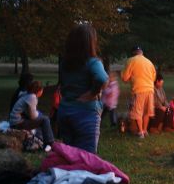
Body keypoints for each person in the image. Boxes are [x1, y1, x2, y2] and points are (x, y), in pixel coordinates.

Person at [58, 24, 109, 153]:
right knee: (86, 158)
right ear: (90, 42)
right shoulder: (93, 62)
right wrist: (92, 93)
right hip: (85, 114)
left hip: (64, 111)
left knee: (70, 154)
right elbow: (102, 79)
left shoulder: (65, 63)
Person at [121, 46, 156, 138]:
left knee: (138, 112)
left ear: (133, 53)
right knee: (146, 112)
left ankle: (140, 132)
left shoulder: (131, 60)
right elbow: (153, 77)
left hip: (139, 89)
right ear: (141, 52)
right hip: (150, 89)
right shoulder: (149, 62)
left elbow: (125, 78)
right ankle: (145, 130)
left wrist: (122, 74)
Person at [10, 81, 54, 150]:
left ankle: (40, 139)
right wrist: (39, 114)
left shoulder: (27, 94)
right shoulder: (32, 97)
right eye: (42, 90)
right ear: (39, 91)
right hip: (18, 123)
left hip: (15, 121)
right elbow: (33, 116)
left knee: (41, 118)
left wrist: (39, 114)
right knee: (45, 119)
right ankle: (50, 142)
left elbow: (29, 113)